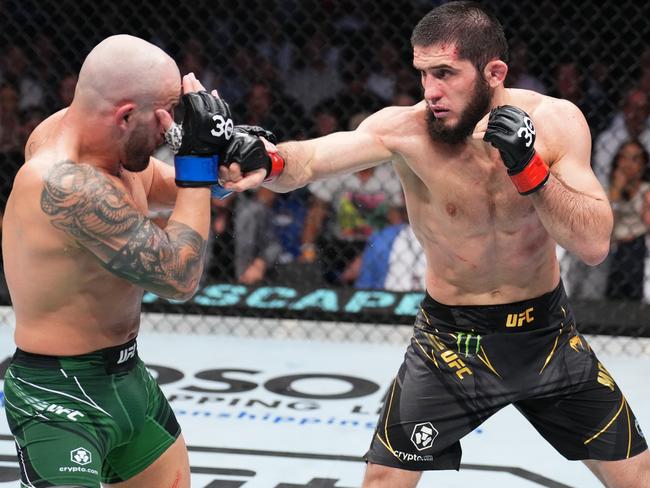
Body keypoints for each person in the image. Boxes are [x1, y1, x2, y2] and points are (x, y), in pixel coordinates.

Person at [218, 2, 650, 486]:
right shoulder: (407, 130)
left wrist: (530, 169)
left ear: (494, 72)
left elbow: (593, 243)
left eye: (445, 73)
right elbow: (313, 160)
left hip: (546, 335)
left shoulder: (555, 122)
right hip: (451, 339)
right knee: (382, 480)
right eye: (423, 74)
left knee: (638, 477)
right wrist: (268, 159)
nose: (431, 92)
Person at [1, 34, 235, 487]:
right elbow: (179, 276)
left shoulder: (109, 145)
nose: (171, 129)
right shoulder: (65, 183)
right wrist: (197, 160)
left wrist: (226, 159)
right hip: (59, 397)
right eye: (164, 116)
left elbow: (170, 185)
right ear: (126, 116)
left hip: (129, 379)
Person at [606, 140, 650, 300]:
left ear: (644, 165)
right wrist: (616, 194)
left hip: (639, 250)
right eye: (624, 158)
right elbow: (606, 232)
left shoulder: (647, 191)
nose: (628, 164)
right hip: (612, 249)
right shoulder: (607, 192)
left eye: (635, 159)